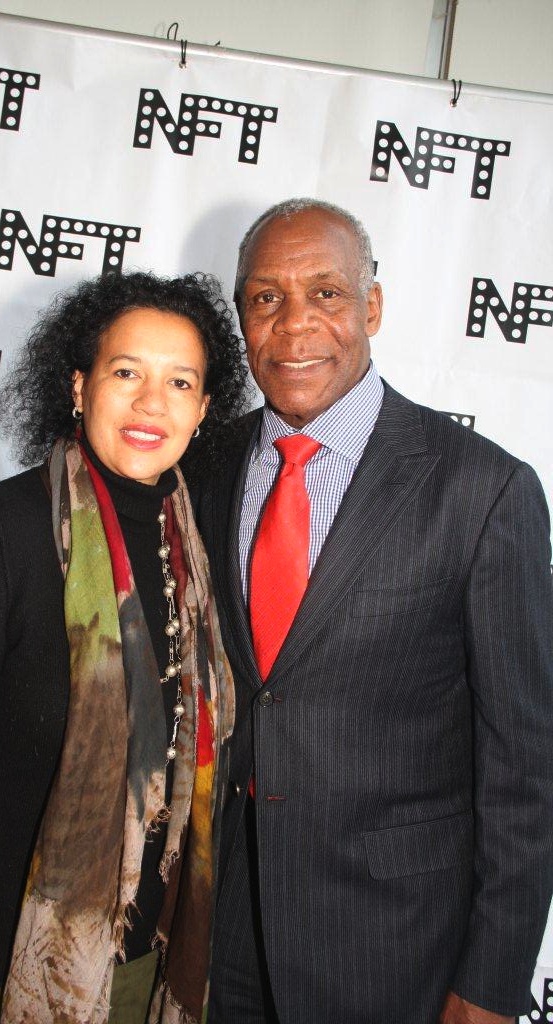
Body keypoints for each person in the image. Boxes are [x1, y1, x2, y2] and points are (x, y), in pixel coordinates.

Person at [195, 198, 553, 1024]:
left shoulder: (480, 488)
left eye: (324, 293)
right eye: (264, 298)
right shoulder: (204, 467)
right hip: (214, 941)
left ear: (372, 307)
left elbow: (525, 769)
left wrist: (492, 981)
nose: (293, 327)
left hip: (395, 950)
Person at [0, 271, 249, 1024]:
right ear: (77, 387)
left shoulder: (203, 552)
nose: (151, 402)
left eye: (179, 382)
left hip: (144, 973)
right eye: (124, 372)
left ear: (204, 410)